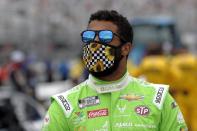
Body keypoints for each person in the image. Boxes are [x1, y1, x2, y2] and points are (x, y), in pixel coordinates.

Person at [42, 10, 187, 131]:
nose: (95, 44)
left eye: (105, 37)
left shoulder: (159, 100)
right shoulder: (64, 106)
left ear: (125, 48)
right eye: (89, 37)